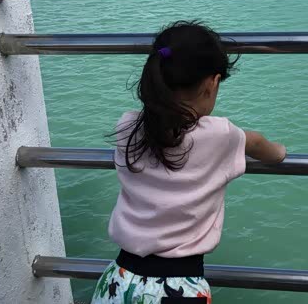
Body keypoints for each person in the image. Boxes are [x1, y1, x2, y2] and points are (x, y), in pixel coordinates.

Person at [91, 21, 286, 304]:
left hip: (119, 280)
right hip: (179, 288)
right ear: (212, 83)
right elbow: (258, 145)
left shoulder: (127, 127)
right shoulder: (220, 135)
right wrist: (280, 152)